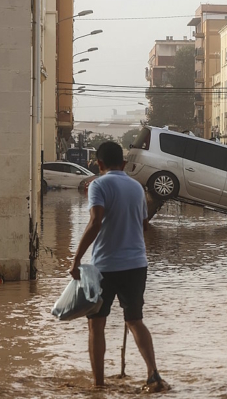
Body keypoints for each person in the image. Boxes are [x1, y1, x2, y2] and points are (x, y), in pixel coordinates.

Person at [69, 141, 169, 392]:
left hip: (106, 266)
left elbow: (95, 222)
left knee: (96, 323)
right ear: (123, 164)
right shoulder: (136, 187)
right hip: (137, 264)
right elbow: (145, 224)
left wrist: (77, 258)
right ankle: (153, 374)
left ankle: (99, 385)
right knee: (135, 320)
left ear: (99, 164)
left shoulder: (98, 185)